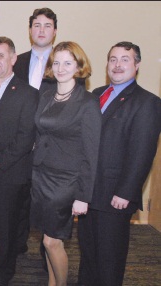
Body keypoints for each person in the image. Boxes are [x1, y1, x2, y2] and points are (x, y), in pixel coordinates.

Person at [77, 42, 161, 286]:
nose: (117, 65)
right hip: (88, 192)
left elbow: (142, 152)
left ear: (137, 65)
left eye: (125, 59)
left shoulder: (147, 102)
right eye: (113, 59)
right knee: (88, 254)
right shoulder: (95, 95)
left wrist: (125, 191)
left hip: (115, 195)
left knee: (109, 259)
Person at [31, 41, 101, 286]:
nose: (61, 68)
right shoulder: (46, 95)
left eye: (67, 63)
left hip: (65, 181)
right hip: (40, 175)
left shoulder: (88, 102)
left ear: (79, 66)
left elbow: (92, 154)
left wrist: (83, 196)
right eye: (57, 62)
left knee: (53, 240)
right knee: (46, 238)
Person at [0, 37, 38, 286]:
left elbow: (26, 138)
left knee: (8, 228)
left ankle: (4, 272)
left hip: (11, 173)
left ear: (13, 59)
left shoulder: (28, 94)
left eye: (1, 55)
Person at [13, 7, 58, 255]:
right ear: (30, 30)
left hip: (51, 147)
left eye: (47, 25)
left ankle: (47, 252)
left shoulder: (64, 63)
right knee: (19, 199)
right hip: (19, 146)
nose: (41, 30)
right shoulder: (15, 61)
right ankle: (17, 245)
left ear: (55, 31)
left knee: (48, 202)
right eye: (37, 25)